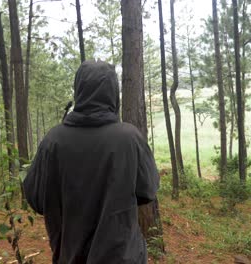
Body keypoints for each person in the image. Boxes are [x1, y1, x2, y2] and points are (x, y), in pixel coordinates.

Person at [23, 60, 160, 264]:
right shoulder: (129, 138)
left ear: (79, 91)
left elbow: (35, 198)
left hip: (70, 256)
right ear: (114, 94)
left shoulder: (53, 141)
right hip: (122, 257)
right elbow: (148, 190)